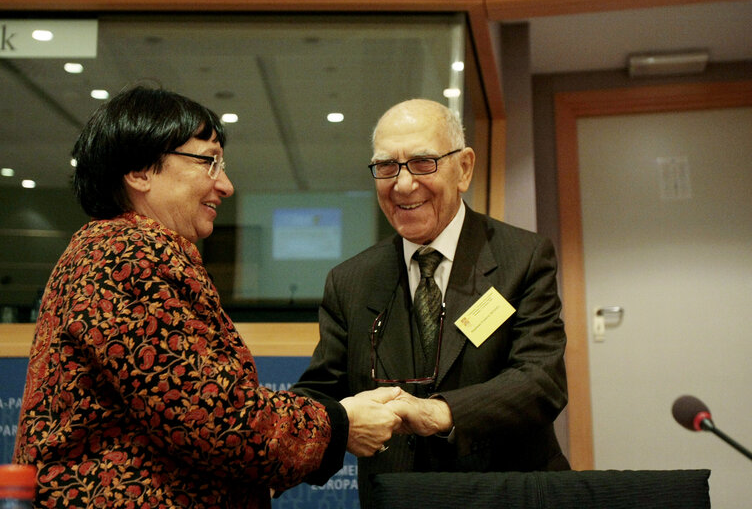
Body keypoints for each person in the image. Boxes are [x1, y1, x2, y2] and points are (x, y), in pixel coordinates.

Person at [12, 85, 403, 509]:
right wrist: (341, 424)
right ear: (139, 171)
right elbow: (218, 420)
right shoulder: (128, 255)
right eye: (208, 161)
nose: (227, 185)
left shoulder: (115, 247)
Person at [291, 98, 570, 507]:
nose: (403, 184)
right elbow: (320, 393)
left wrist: (437, 413)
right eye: (387, 166)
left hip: (507, 493)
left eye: (423, 162)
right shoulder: (349, 282)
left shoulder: (522, 258)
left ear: (464, 168)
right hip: (400, 497)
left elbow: (540, 381)